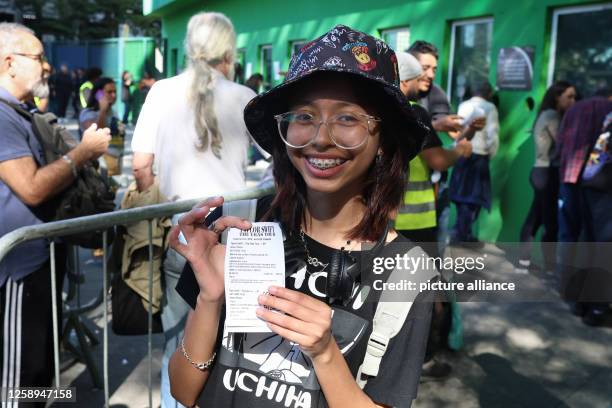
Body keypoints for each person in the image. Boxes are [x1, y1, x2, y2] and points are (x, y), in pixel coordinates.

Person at [168, 24, 436, 408]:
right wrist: (211, 298)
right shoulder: (236, 227)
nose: (320, 138)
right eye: (304, 116)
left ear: (383, 140)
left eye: (347, 118)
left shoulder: (406, 272)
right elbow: (183, 390)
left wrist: (325, 353)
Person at [131, 12, 256, 408]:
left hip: (183, 232)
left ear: (188, 45)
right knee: (236, 344)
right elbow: (283, 157)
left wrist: (158, 197)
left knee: (180, 345)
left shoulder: (161, 92)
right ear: (229, 49)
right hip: (238, 233)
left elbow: (140, 166)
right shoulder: (245, 97)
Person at [0, 22, 110, 401]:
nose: (47, 67)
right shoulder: (1, 116)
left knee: (41, 368)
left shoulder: (21, 111)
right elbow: (31, 188)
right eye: (39, 58)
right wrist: (82, 153)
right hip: (19, 265)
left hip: (39, 258)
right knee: (20, 376)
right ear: (9, 63)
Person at [394, 51, 473, 258]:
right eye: (418, 75)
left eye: (433, 70)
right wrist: (459, 150)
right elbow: (438, 160)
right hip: (413, 219)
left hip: (381, 217)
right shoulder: (414, 112)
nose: (425, 77)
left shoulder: (375, 110)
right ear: (404, 81)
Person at [556, 90, 612, 325]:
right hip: (603, 187)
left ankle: (576, 296)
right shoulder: (608, 113)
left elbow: (561, 144)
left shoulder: (575, 110)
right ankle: (597, 308)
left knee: (579, 238)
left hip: (578, 180)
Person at [517, 81, 576, 273]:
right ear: (557, 97)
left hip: (542, 172)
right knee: (550, 222)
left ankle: (523, 262)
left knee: (536, 218)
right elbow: (563, 144)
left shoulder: (548, 114)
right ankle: (550, 267)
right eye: (569, 96)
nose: (573, 101)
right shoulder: (552, 115)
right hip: (546, 173)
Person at [449, 80, 499, 244]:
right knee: (474, 198)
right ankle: (462, 233)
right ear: (489, 94)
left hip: (462, 152)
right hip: (479, 156)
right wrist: (490, 153)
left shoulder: (464, 105)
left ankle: (462, 231)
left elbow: (458, 129)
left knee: (462, 195)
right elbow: (493, 133)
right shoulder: (490, 108)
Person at [79, 77, 124, 176]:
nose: (113, 95)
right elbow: (98, 134)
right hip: (100, 165)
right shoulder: (88, 113)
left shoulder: (114, 112)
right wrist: (102, 110)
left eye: (115, 92)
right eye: (109, 92)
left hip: (115, 163)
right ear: (99, 94)